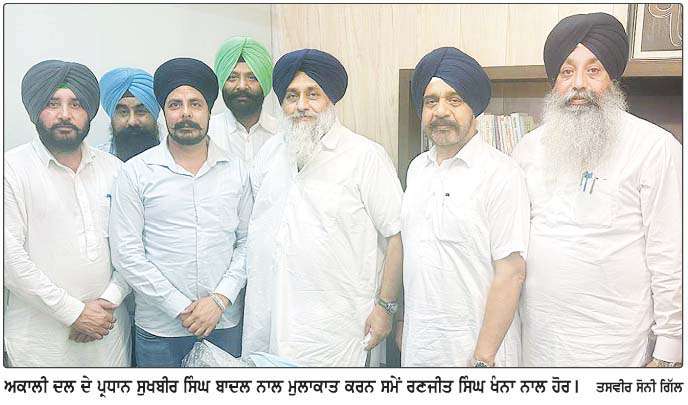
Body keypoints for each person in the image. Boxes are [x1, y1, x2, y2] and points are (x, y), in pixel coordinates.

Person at [512, 12, 682, 367]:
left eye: (593, 70)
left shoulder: (654, 147)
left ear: (612, 78)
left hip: (613, 349)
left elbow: (671, 254)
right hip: (538, 343)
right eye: (566, 72)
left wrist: (670, 347)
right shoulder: (527, 149)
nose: (578, 84)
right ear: (554, 82)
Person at [242, 49, 403, 366]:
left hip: (336, 330)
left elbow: (397, 236)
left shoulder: (365, 156)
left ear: (331, 99)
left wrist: (386, 308)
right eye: (292, 96)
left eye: (312, 94)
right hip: (271, 319)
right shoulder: (269, 154)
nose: (301, 105)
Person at [109, 57, 253, 367]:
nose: (185, 113)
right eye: (175, 105)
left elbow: (247, 243)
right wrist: (179, 307)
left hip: (223, 323)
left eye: (195, 104)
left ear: (209, 111)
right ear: (163, 113)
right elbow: (126, 253)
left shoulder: (238, 171)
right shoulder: (136, 172)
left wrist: (219, 300)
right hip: (160, 330)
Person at [400, 47, 529, 367]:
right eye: (431, 101)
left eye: (454, 100)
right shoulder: (417, 170)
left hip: (478, 355)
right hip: (421, 350)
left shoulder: (501, 173)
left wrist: (483, 357)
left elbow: (511, 273)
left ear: (474, 108)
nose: (440, 111)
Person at [4, 60, 131, 366]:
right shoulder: (11, 169)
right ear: (36, 110)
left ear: (89, 112)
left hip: (109, 333)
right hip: (39, 345)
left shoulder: (115, 169)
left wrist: (110, 299)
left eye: (75, 104)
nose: (64, 114)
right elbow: (9, 258)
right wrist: (74, 313)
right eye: (52, 103)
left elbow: (134, 246)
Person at [209, 36, 276, 161]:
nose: (242, 86)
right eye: (232, 77)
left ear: (265, 82)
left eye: (252, 77)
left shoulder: (281, 133)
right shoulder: (208, 134)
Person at [97, 68, 161, 162]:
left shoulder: (173, 159)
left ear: (154, 113)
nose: (132, 122)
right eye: (123, 112)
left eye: (141, 111)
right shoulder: (98, 162)